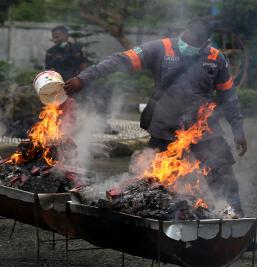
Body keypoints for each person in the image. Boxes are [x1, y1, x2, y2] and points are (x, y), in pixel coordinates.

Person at [64, 19, 247, 214]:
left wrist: (238, 130)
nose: (195, 45)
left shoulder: (215, 58)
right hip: (165, 129)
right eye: (193, 39)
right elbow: (119, 60)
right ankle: (155, 227)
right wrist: (83, 78)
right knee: (151, 183)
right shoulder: (160, 48)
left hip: (205, 131)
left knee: (224, 181)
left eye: (201, 41)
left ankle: (237, 230)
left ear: (207, 40)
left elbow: (229, 97)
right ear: (185, 31)